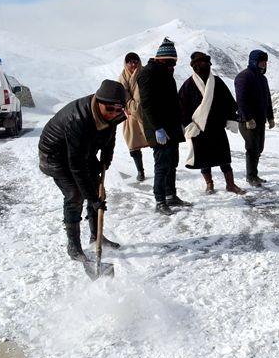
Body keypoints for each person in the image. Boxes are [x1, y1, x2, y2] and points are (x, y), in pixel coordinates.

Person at [38, 80, 126, 262]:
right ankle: (74, 246)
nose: (114, 114)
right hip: (55, 156)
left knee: (97, 189)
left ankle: (96, 236)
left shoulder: (113, 113)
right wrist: (92, 200)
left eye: (118, 110)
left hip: (82, 150)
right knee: (75, 194)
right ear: (98, 101)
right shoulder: (79, 119)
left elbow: (111, 134)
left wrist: (106, 158)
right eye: (109, 109)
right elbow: (76, 165)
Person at [179, 51, 245, 195]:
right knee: (204, 159)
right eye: (202, 63)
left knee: (224, 158)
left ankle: (230, 184)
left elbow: (229, 101)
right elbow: (181, 108)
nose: (206, 65)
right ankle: (209, 184)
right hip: (199, 127)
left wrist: (231, 118)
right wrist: (189, 124)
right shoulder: (188, 85)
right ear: (195, 66)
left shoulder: (217, 81)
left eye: (207, 63)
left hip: (217, 126)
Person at [138, 37, 192, 215]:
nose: (173, 66)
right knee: (161, 164)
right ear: (162, 59)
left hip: (172, 126)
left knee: (172, 163)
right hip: (159, 128)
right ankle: (160, 200)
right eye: (171, 62)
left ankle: (171, 195)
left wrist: (180, 122)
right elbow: (147, 104)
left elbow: (173, 102)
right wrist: (157, 128)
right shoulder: (147, 73)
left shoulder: (166, 73)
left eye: (174, 63)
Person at [235, 50, 275, 187]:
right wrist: (247, 118)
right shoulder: (243, 77)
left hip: (260, 120)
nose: (264, 64)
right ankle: (250, 176)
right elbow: (241, 100)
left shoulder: (263, 79)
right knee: (252, 148)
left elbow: (267, 99)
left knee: (259, 148)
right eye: (261, 62)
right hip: (247, 121)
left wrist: (270, 117)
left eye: (265, 62)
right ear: (254, 61)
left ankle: (254, 174)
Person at [118, 52, 148, 181]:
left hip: (146, 112)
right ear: (126, 64)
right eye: (130, 62)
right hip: (130, 115)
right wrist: (130, 106)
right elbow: (121, 94)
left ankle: (164, 169)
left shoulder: (145, 74)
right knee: (132, 144)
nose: (133, 64)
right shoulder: (122, 78)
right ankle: (140, 171)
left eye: (135, 61)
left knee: (156, 142)